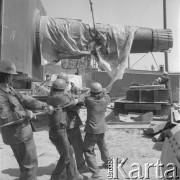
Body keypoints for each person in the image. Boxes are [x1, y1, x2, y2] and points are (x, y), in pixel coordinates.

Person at [0, 60, 53, 180]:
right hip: (18, 135)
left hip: (23, 132)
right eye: (11, 76)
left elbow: (25, 99)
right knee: (30, 166)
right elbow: (6, 117)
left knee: (26, 166)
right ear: (6, 76)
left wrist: (43, 105)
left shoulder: (9, 89)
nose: (12, 78)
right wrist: (26, 113)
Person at [46, 79, 84, 180]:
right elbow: (73, 102)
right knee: (66, 156)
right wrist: (79, 98)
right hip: (58, 133)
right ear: (61, 90)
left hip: (60, 131)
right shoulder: (58, 98)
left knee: (69, 153)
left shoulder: (54, 97)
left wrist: (76, 98)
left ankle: (73, 176)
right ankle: (55, 177)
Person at [57, 72, 88, 173]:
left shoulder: (54, 92)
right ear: (65, 83)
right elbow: (73, 106)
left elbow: (72, 97)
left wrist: (78, 97)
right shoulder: (64, 95)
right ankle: (81, 166)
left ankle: (67, 167)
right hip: (71, 124)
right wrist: (81, 99)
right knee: (78, 146)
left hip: (61, 125)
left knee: (66, 149)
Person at [83, 82, 110, 180]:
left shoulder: (89, 101)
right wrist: (103, 91)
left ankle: (96, 173)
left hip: (92, 130)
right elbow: (106, 94)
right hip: (102, 128)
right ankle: (108, 163)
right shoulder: (105, 100)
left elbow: (83, 97)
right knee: (103, 146)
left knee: (88, 150)